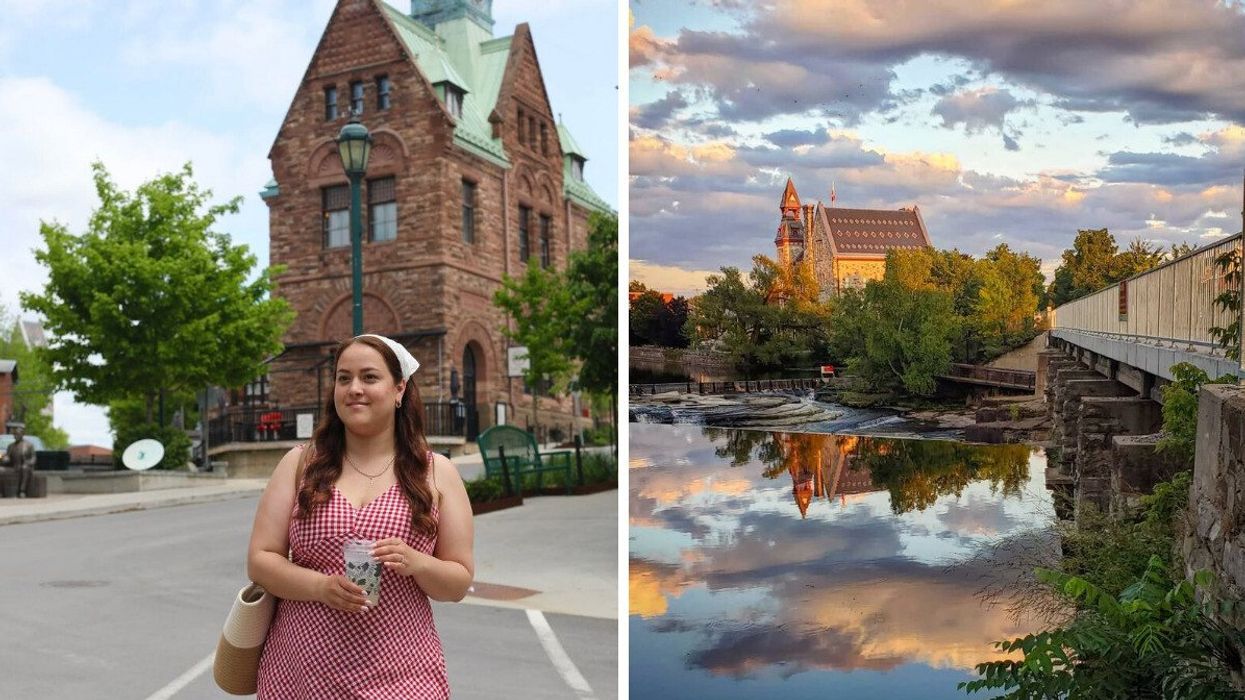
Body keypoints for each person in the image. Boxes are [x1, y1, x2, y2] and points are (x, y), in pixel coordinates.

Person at [248, 334, 474, 698]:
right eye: (343, 378)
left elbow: (459, 581)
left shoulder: (437, 473)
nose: (354, 388)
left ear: (399, 389)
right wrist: (320, 587)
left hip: (402, 672)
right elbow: (260, 560)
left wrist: (418, 563)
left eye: (369, 377)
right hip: (303, 671)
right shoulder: (301, 463)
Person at [3, 422, 36, 498]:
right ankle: (2, 491)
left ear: (22, 434)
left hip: (25, 466)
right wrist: (5, 459)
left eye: (17, 434)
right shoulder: (10, 446)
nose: (16, 436)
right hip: (14, 466)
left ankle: (22, 491)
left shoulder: (29, 445)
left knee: (24, 468)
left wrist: (28, 463)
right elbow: (8, 456)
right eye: (14, 434)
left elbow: (33, 458)